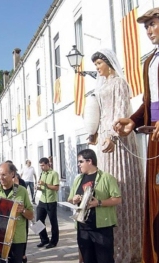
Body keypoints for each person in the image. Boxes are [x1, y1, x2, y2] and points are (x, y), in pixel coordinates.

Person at [88, 49, 144, 262]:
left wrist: (112, 135)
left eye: (99, 63)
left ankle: (129, 247)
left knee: (121, 185)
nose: (97, 68)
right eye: (95, 65)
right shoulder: (101, 87)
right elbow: (99, 113)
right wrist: (94, 133)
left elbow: (121, 110)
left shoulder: (119, 83)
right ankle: (111, 245)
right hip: (103, 139)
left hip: (117, 138)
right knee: (106, 187)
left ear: (109, 63)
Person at [113, 7, 159, 263]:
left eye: (152, 24)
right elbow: (149, 101)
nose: (149, 30)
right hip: (155, 138)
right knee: (155, 198)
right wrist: (133, 120)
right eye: (146, 27)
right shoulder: (150, 61)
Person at [68, 149, 121, 263]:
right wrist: (74, 199)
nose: (78, 164)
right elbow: (70, 199)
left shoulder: (107, 178)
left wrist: (99, 203)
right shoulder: (78, 179)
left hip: (101, 228)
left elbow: (117, 199)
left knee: (104, 259)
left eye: (80, 161)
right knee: (87, 259)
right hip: (83, 228)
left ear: (89, 161)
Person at [0, 162, 33, 263]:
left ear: (12, 174)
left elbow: (31, 216)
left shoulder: (22, 191)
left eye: (4, 174)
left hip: (17, 239)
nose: (0, 177)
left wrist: (22, 210)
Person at [36, 157, 59, 249]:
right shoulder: (42, 173)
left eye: (42, 165)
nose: (41, 167)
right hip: (42, 200)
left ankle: (54, 241)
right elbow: (43, 187)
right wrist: (39, 188)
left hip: (51, 201)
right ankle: (44, 239)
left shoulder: (54, 174)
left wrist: (44, 184)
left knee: (53, 222)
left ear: (47, 164)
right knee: (38, 221)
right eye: (40, 166)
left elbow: (56, 188)